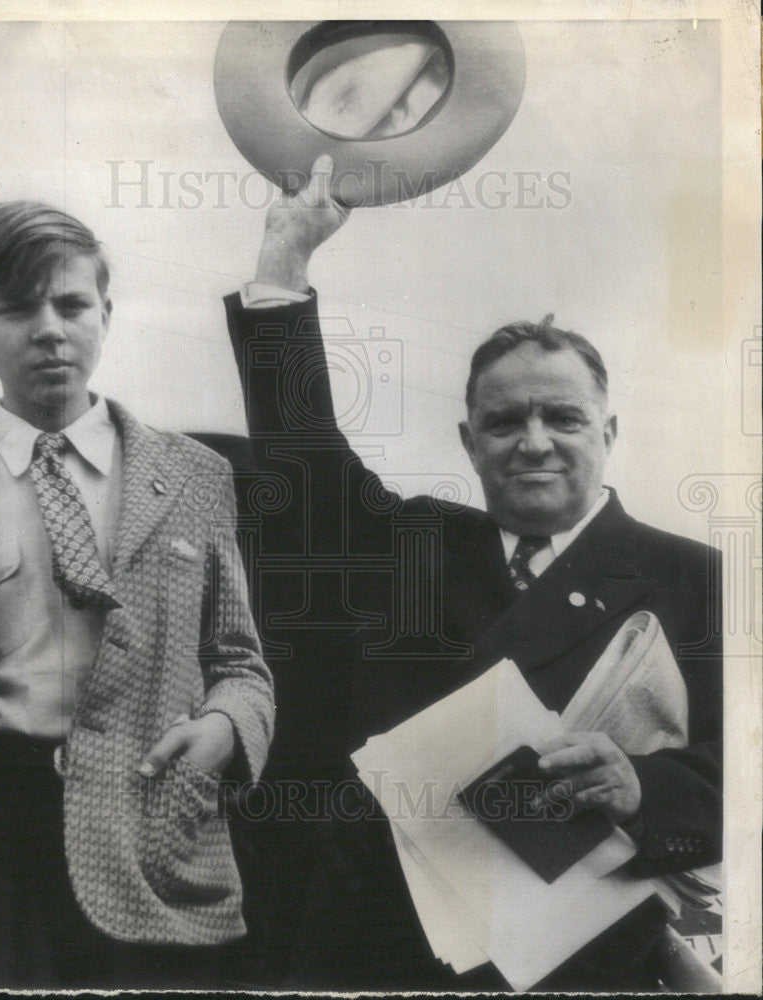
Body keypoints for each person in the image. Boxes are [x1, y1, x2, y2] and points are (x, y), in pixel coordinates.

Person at [222, 156, 722, 991]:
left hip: (580, 961)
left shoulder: (696, 579)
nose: (533, 442)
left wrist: (643, 786)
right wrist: (283, 265)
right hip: (382, 948)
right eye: (503, 422)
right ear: (467, 442)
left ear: (609, 430)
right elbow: (303, 463)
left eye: (561, 417)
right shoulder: (416, 543)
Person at [0, 201, 274, 989]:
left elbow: (241, 666)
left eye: (71, 304)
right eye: (16, 308)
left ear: (105, 314)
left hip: (154, 826)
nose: (49, 329)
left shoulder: (194, 476)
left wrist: (226, 726)